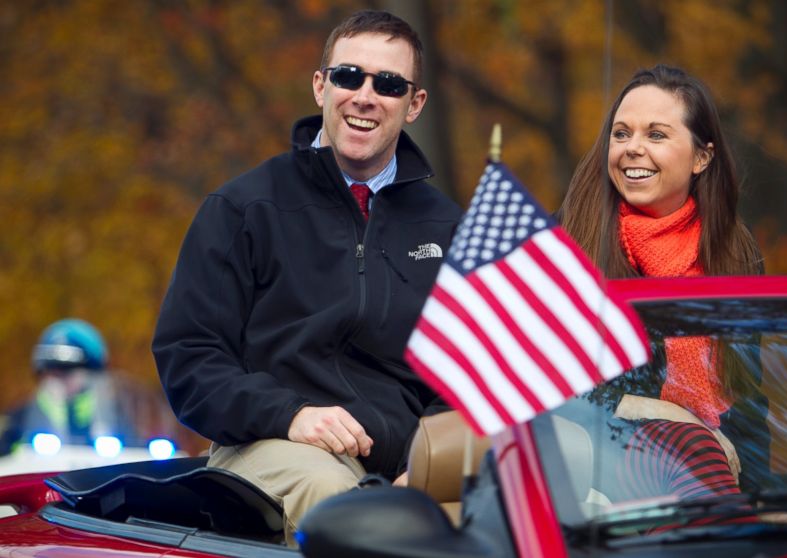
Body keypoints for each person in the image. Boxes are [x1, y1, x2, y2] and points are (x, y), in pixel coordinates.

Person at [151, 9, 461, 542]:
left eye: (388, 84)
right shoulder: (244, 208)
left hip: (412, 461)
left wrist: (432, 465)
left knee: (527, 500)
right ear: (321, 86)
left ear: (414, 105)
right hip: (270, 445)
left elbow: (464, 374)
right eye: (348, 76)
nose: (365, 95)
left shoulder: (448, 227)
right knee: (355, 515)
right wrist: (291, 414)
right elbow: (189, 358)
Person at [558, 64, 769, 496]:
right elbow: (549, 394)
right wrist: (675, 416)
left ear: (701, 157)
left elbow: (747, 401)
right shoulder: (564, 250)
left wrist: (761, 502)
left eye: (655, 135)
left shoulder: (735, 255)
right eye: (621, 134)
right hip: (594, 477)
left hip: (711, 476)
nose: (632, 149)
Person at [0, 319, 134, 454]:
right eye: (50, 372)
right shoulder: (17, 420)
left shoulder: (117, 417)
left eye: (67, 372)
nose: (57, 381)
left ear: (92, 376)